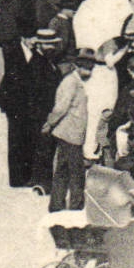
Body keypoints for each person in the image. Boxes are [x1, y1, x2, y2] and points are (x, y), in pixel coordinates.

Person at [43, 47, 96, 212]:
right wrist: (50, 123)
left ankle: (56, 205)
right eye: (86, 68)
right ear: (77, 66)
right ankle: (76, 207)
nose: (89, 72)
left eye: (91, 68)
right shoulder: (71, 83)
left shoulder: (76, 82)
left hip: (71, 134)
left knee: (63, 170)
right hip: (70, 134)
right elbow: (61, 107)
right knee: (76, 173)